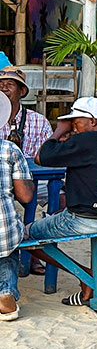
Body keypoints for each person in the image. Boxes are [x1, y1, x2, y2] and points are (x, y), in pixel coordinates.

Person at [26, 97, 97, 307]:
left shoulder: (86, 141)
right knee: (57, 217)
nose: (73, 127)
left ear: (92, 121)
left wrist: (58, 130)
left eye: (76, 122)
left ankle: (85, 276)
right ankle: (91, 281)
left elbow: (41, 157)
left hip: (84, 220)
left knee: (25, 235)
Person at [0, 66, 52, 276]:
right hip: (4, 183)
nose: (3, 88)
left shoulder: (38, 121)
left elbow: (49, 156)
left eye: (9, 84)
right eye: (0, 85)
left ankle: (36, 251)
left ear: (22, 91)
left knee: (62, 198)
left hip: (34, 181)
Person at [0, 92, 33, 321]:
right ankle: (6, 293)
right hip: (2, 232)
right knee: (10, 240)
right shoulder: (10, 150)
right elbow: (26, 197)